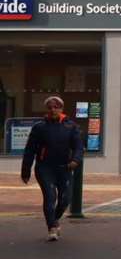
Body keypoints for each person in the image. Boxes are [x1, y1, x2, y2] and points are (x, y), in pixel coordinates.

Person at [20, 95, 83, 241]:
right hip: (45, 168)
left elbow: (78, 147)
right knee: (50, 197)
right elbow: (30, 150)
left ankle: (54, 219)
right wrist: (25, 171)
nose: (53, 110)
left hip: (64, 168)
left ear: (61, 108)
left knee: (65, 199)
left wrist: (75, 160)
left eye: (56, 107)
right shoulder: (39, 127)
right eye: (50, 107)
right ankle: (52, 228)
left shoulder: (71, 126)